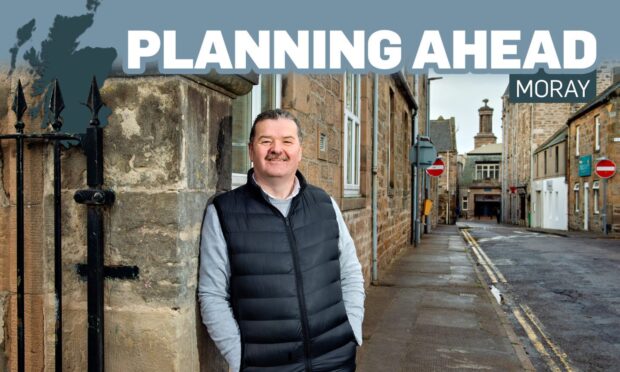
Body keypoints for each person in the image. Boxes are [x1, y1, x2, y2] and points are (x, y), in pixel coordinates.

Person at [198, 109, 365, 371]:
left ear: (299, 150)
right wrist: (238, 357)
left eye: (287, 141)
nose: (277, 149)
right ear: (252, 150)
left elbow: (351, 273)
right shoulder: (223, 212)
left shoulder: (325, 204)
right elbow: (212, 294)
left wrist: (351, 331)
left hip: (335, 359)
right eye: (266, 141)